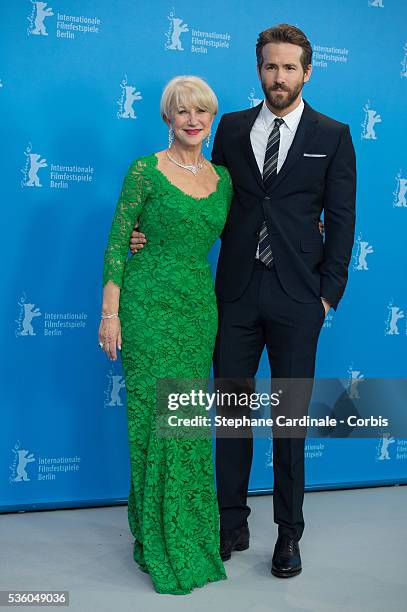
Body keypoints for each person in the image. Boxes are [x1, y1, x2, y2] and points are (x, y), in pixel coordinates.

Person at [129, 24, 356, 580]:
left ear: (308, 71)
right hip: (233, 296)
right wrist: (146, 235)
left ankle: (288, 534)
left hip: (299, 298)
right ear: (259, 70)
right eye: (269, 67)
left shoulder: (334, 134)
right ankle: (231, 522)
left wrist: (327, 295)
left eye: (289, 68)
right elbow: (200, 194)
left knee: (289, 421)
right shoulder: (229, 128)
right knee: (230, 416)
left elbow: (343, 221)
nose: (279, 78)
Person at [98, 75, 233, 595]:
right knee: (155, 423)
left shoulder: (224, 178)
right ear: (167, 118)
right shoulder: (145, 171)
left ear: (211, 117)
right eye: (183, 112)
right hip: (148, 306)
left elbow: (248, 231)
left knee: (186, 423)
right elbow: (116, 243)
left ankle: (194, 537)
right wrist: (111, 314)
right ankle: (155, 540)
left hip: (198, 310)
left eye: (201, 111)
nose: (193, 120)